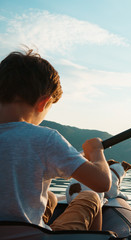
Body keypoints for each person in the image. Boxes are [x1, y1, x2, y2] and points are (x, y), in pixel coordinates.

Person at [0, 49, 111, 231]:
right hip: (32, 236)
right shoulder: (45, 139)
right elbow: (102, 183)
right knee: (90, 197)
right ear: (43, 102)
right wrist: (97, 152)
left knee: (50, 197)